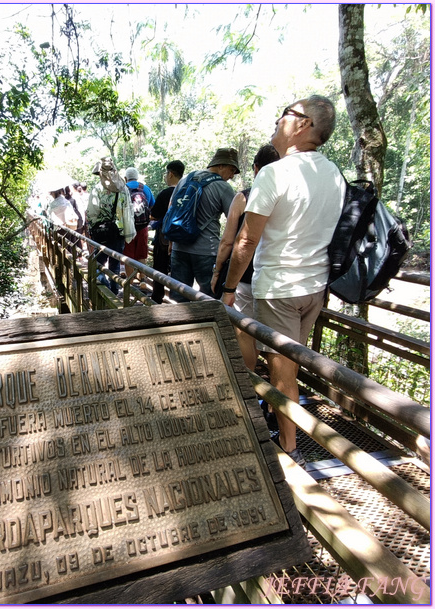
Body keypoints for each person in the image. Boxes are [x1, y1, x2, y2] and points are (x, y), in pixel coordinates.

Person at [221, 95, 345, 468]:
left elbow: (246, 240)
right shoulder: (334, 174)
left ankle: (289, 451)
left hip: (279, 288)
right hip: (314, 289)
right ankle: (287, 430)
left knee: (282, 372)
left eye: (286, 114)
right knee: (290, 366)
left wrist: (228, 290)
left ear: (304, 125)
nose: (278, 119)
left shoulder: (275, 173)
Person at [212, 145, 280, 367]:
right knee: (278, 344)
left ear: (255, 168)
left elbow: (228, 241)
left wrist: (217, 272)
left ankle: (249, 383)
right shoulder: (291, 195)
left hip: (246, 277)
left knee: (244, 332)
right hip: (278, 278)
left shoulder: (243, 197)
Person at [169, 147, 238, 301]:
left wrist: (171, 242)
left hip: (179, 247)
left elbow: (171, 208)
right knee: (209, 299)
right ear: (221, 165)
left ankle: (179, 325)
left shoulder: (186, 179)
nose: (232, 176)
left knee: (179, 298)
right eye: (232, 170)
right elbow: (235, 220)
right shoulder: (223, 187)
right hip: (207, 251)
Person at [86, 158, 136, 294]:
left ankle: (103, 286)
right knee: (115, 263)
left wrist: (93, 225)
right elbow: (129, 210)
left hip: (101, 232)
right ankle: (115, 290)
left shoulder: (98, 189)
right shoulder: (123, 188)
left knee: (99, 261)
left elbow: (92, 212)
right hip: (118, 232)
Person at [151, 160, 185, 303]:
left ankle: (157, 298)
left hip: (164, 239)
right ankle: (176, 300)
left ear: (170, 174)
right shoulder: (186, 191)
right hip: (183, 239)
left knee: (160, 268)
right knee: (179, 272)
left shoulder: (165, 193)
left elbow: (154, 215)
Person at [123, 167, 156, 291]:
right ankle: (143, 279)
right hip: (143, 226)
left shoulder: (123, 189)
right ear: (137, 177)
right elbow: (153, 205)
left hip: (128, 227)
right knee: (142, 253)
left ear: (126, 178)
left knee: (128, 254)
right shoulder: (145, 188)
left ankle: (130, 282)